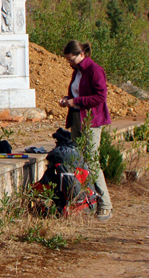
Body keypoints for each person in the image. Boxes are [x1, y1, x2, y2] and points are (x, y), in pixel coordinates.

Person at [58, 40, 113, 221]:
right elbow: (77, 94)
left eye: (71, 60)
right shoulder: (78, 72)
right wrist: (68, 99)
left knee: (91, 161)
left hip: (92, 121)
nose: (70, 64)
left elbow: (100, 96)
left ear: (81, 55)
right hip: (76, 118)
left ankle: (105, 204)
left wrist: (77, 101)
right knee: (79, 161)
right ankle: (87, 202)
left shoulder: (95, 70)